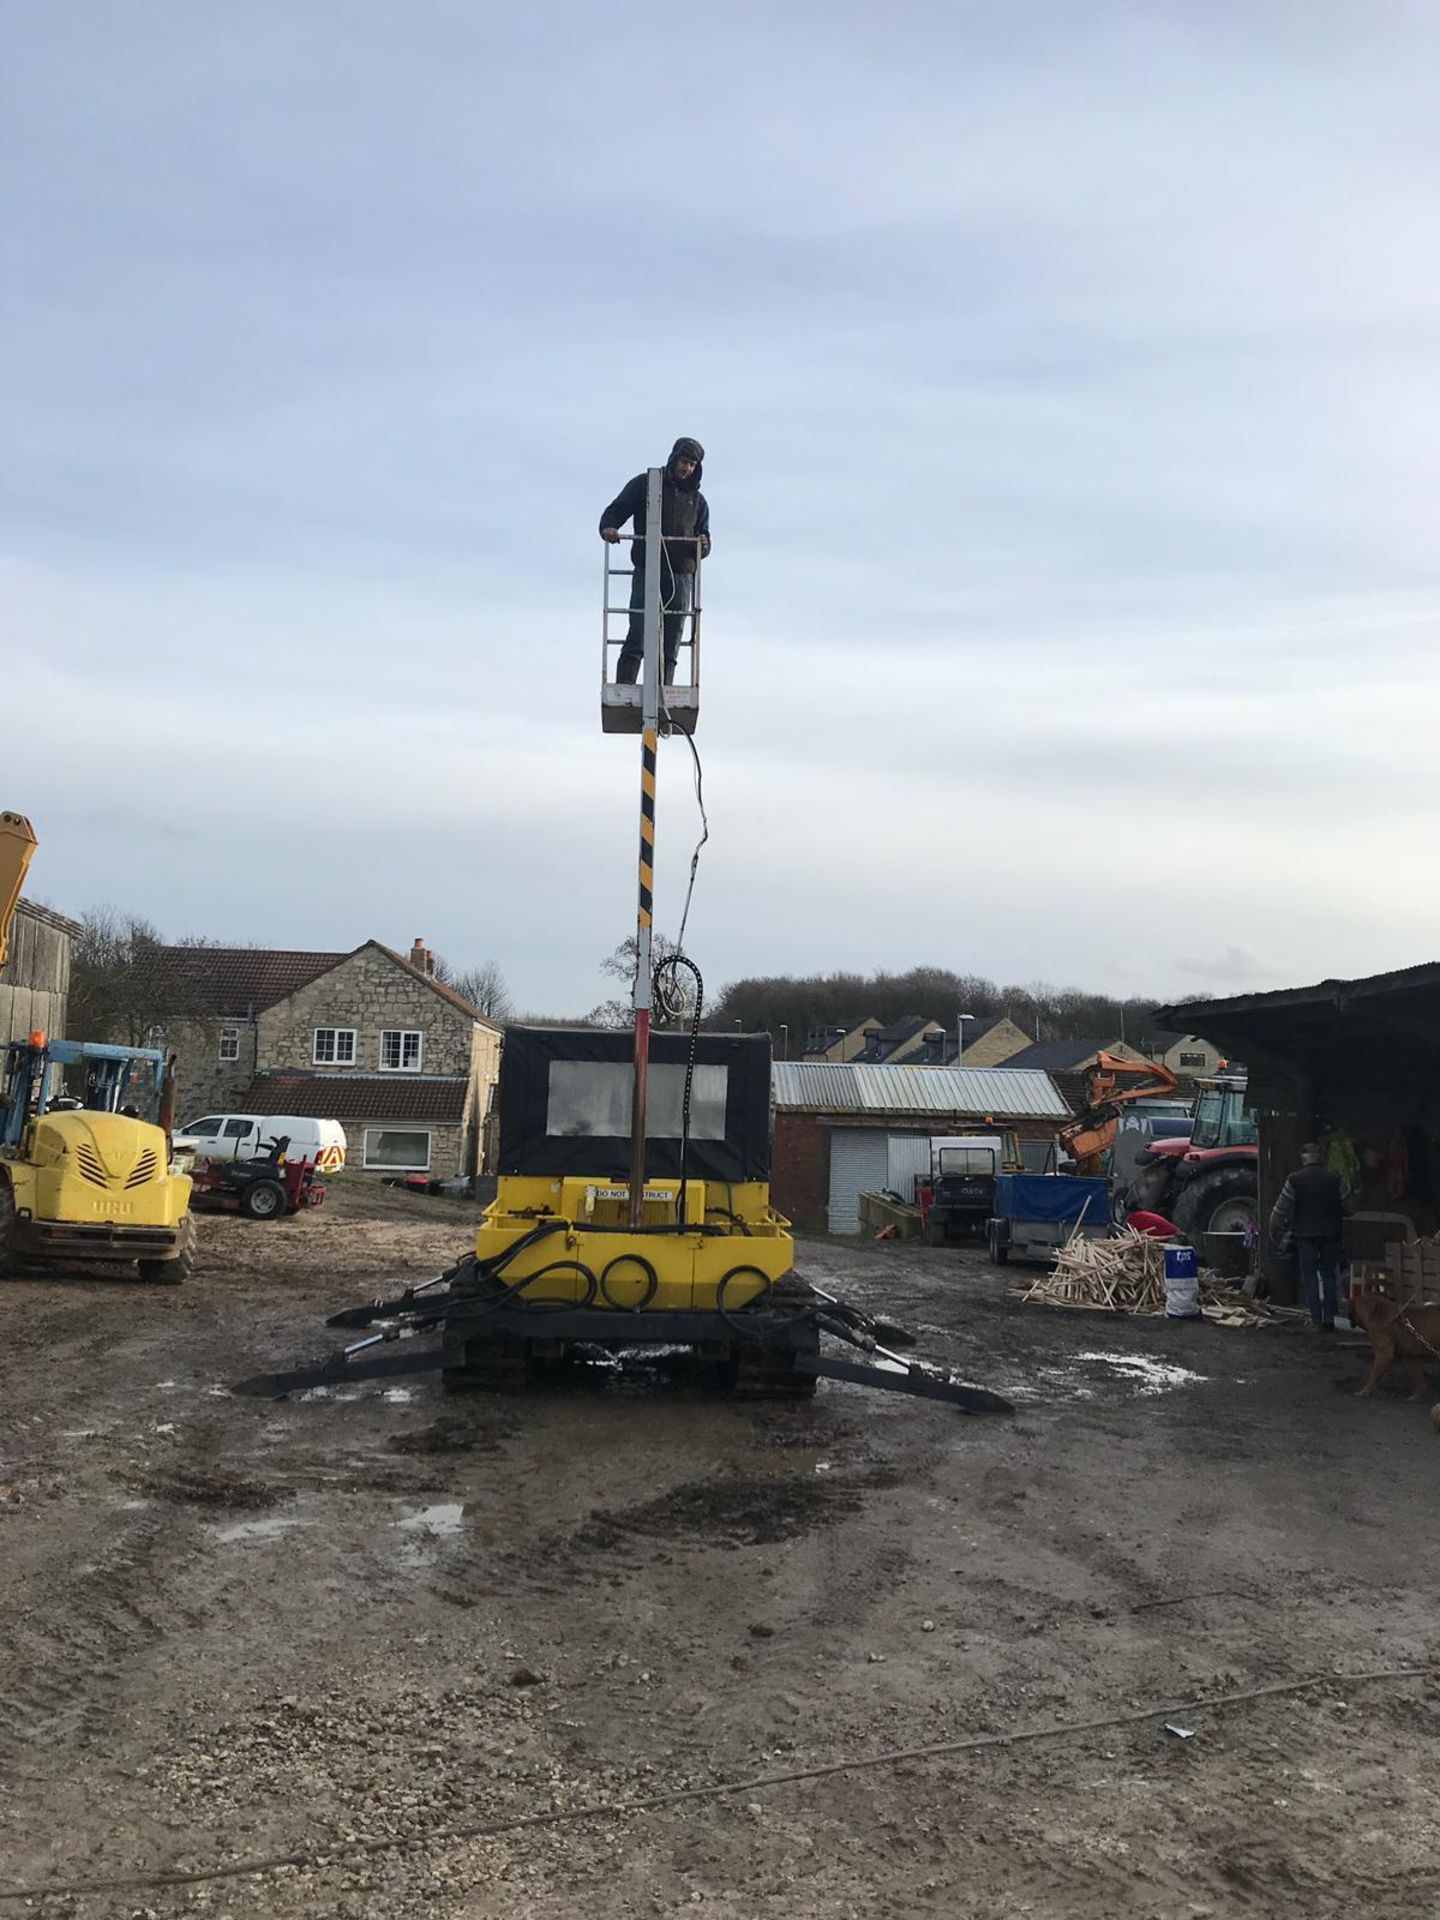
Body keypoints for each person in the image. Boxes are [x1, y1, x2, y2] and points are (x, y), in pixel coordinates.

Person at [600, 438, 710, 685]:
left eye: (692, 464)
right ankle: (625, 686)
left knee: (671, 638)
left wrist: (703, 545)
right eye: (684, 462)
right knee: (639, 630)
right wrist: (609, 527)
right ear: (673, 459)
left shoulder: (698, 501)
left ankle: (665, 690)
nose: (687, 469)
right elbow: (617, 509)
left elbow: (704, 537)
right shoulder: (646, 484)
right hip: (647, 568)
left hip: (681, 575)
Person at [1270, 1141, 1354, 1330]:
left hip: (1305, 1237)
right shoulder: (1335, 1179)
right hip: (1331, 1236)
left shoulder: (1294, 1180)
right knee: (1329, 1275)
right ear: (1320, 1157)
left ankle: (1315, 1318)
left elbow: (1280, 1209)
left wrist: (1273, 1230)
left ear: (1303, 1158)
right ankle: (1329, 1319)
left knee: (1309, 1277)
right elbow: (1350, 1207)